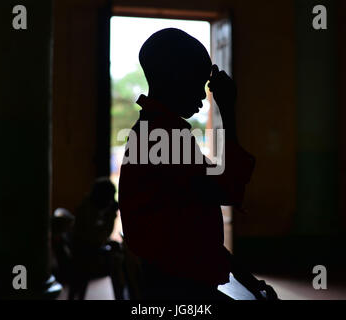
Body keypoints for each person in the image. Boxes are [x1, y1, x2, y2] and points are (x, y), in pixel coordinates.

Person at [118, 28, 277, 300]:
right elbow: (227, 189)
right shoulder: (164, 138)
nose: (204, 97)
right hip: (178, 291)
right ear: (175, 78)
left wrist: (247, 279)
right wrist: (227, 111)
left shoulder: (155, 131)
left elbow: (195, 229)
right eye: (198, 82)